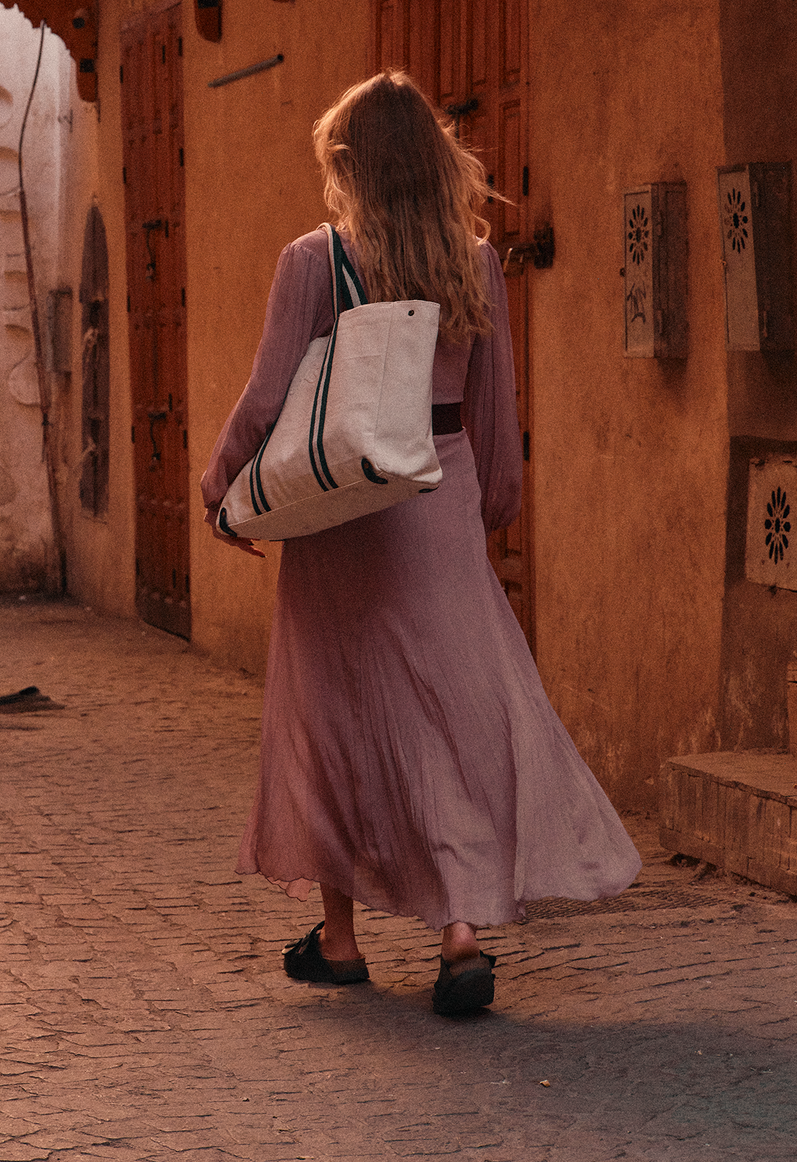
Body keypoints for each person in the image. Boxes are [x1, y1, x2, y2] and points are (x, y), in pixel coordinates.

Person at [202, 71, 638, 1017]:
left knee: (329, 714)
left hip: (337, 510)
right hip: (435, 493)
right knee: (452, 714)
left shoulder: (312, 261)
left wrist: (220, 483)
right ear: (440, 163)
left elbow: (268, 396)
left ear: (346, 166)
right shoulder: (472, 262)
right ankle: (460, 932)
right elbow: (494, 408)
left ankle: (341, 937)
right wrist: (490, 507)